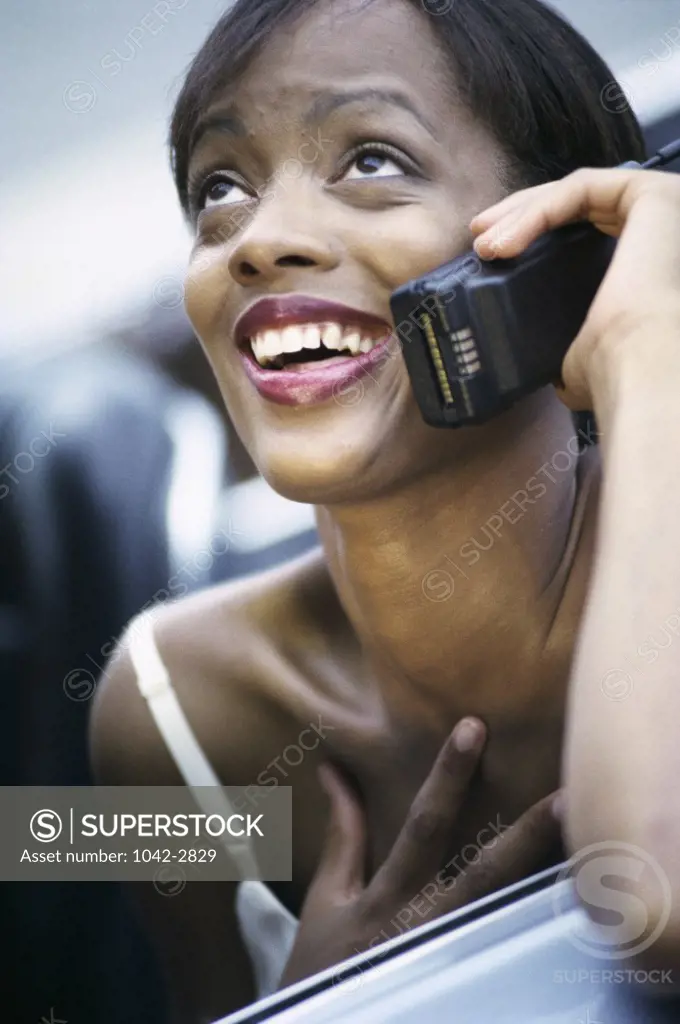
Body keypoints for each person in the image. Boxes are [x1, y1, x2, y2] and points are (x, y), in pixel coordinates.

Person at [89, 0, 680, 1020]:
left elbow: (651, 907)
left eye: (370, 160)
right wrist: (307, 997)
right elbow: (53, 897)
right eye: (219, 189)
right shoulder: (161, 712)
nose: (258, 241)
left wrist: (650, 347)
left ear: (572, 249)